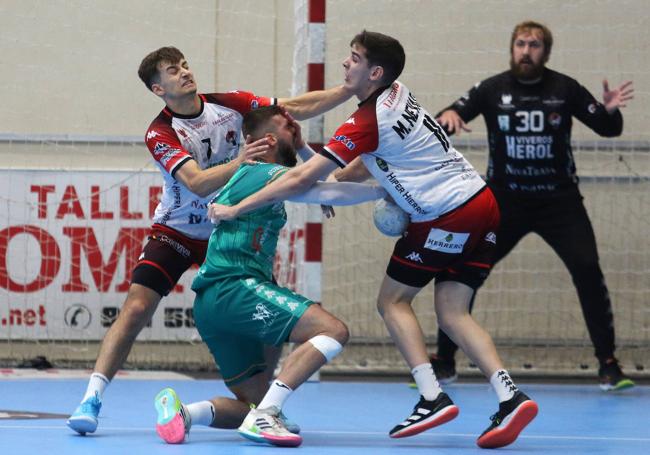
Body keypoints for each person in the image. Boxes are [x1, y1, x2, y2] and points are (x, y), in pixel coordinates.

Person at [207, 30, 539, 449]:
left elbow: (301, 180)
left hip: (446, 215)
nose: (346, 64)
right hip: (483, 204)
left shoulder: (366, 120)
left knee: (392, 301)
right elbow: (353, 173)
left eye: (354, 58)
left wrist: (235, 209)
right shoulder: (397, 95)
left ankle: (432, 396)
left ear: (375, 72)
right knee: (454, 312)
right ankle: (510, 396)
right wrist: (323, 173)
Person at [67, 46, 353, 435]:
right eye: (173, 70)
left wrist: (353, 90)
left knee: (265, 312)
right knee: (136, 308)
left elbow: (293, 109)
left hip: (229, 229)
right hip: (180, 229)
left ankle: (260, 404)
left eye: (185, 65)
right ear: (158, 88)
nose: (184, 72)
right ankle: (91, 398)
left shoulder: (228, 104)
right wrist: (242, 161)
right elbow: (197, 182)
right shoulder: (161, 132)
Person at [154, 105, 387, 447]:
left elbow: (317, 180)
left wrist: (308, 153)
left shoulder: (258, 178)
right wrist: (385, 193)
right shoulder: (260, 170)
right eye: (286, 123)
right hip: (235, 287)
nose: (295, 125)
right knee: (332, 331)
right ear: (266, 139)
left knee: (251, 404)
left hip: (212, 305)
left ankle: (185, 414)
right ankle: (269, 414)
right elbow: (326, 189)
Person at [432, 20, 635, 391]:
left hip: (559, 202)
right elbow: (450, 115)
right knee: (464, 270)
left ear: (546, 52)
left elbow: (609, 129)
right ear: (512, 49)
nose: (527, 51)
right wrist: (447, 117)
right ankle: (444, 362)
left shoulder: (565, 88)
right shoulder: (492, 89)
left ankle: (609, 365)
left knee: (588, 269)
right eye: (521, 44)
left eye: (535, 45)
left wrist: (610, 111)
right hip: (504, 202)